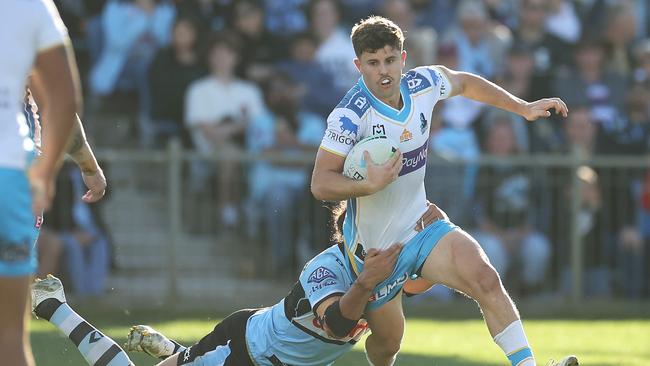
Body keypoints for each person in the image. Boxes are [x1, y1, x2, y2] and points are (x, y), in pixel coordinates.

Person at [310, 15, 577, 366]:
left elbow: (465, 83)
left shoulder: (423, 83)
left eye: (390, 60)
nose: (384, 71)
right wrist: (368, 184)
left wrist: (522, 108)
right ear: (359, 65)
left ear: (403, 59)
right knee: (388, 344)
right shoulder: (348, 116)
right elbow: (320, 183)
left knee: (485, 277)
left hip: (422, 227)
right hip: (375, 253)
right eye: (373, 63)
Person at [33, 243, 402, 365]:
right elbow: (338, 324)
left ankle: (177, 352)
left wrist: (432, 232)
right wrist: (368, 280)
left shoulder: (387, 266)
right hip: (243, 351)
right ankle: (52, 305)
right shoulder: (329, 267)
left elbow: (428, 268)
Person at [0, 1, 82, 365]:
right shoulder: (30, 4)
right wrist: (44, 174)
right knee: (9, 336)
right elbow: (62, 100)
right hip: (10, 176)